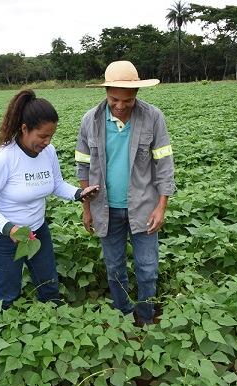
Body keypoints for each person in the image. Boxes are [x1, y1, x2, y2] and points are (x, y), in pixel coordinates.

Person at [0, 89, 99, 309]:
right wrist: (9, 229)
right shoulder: (4, 158)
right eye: (42, 136)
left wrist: (79, 194)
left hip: (37, 231)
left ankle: (55, 321)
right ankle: (3, 330)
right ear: (24, 129)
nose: (47, 141)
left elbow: (56, 184)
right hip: (5, 237)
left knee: (49, 284)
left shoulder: (48, 152)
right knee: (9, 292)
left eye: (51, 135)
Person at [75, 61, 176, 325]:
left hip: (144, 207)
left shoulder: (153, 118)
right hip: (104, 208)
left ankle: (145, 315)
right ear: (106, 91)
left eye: (127, 101)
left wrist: (161, 206)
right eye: (114, 99)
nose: (120, 106)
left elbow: (164, 164)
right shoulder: (90, 120)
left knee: (147, 268)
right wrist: (86, 209)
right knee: (114, 268)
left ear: (137, 95)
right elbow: (82, 166)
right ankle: (123, 315)